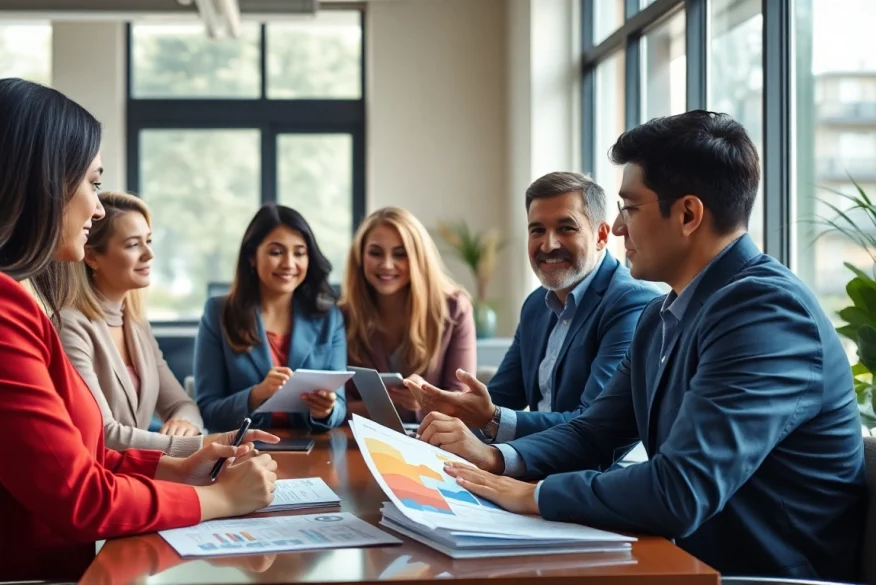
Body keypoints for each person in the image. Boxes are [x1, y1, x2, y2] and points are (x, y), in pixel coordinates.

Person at [0, 78, 280, 585]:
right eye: (92, 183)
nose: (98, 208)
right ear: (39, 184)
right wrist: (220, 499)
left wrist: (176, 469)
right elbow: (79, 498)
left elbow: (76, 459)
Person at [434, 111, 865, 582]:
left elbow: (681, 489)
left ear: (688, 215)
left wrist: (533, 495)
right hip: (686, 560)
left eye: (630, 208)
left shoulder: (765, 312)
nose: (618, 228)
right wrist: (497, 460)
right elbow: (594, 433)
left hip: (760, 576)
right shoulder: (663, 314)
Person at [408, 172, 657, 463]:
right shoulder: (536, 305)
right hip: (533, 466)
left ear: (601, 236)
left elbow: (590, 424)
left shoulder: (631, 302)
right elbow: (500, 397)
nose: (548, 245)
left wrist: (491, 420)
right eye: (537, 230)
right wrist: (447, 414)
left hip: (593, 475)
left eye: (566, 228)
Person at [58, 191, 206, 457]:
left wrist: (186, 425)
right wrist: (193, 445)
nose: (149, 254)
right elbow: (104, 433)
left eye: (148, 241)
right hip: (100, 475)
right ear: (92, 257)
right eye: (133, 245)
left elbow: (182, 405)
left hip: (140, 471)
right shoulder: (70, 325)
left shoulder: (136, 323)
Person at [195, 203, 348, 432]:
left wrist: (326, 411)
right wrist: (257, 395)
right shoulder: (218, 312)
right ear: (252, 257)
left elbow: (340, 405)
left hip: (312, 446)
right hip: (245, 447)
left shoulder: (328, 317)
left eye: (299, 253)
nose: (289, 264)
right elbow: (208, 412)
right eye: (276, 252)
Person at [339, 206, 476, 422]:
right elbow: (335, 407)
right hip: (356, 438)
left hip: (433, 438)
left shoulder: (454, 308)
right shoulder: (343, 316)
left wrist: (424, 402)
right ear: (359, 257)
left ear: (419, 258)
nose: (387, 265)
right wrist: (395, 403)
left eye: (400, 254)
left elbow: (461, 403)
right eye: (375, 253)